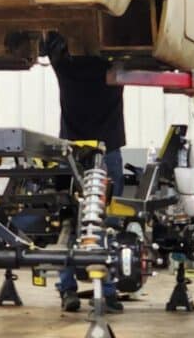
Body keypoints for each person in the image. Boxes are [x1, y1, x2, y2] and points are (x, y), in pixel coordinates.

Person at [42, 32, 126, 314]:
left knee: (68, 224)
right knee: (108, 224)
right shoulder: (114, 67)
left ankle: (68, 291)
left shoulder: (63, 67)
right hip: (108, 151)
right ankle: (109, 292)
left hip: (71, 154)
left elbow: (49, 41)